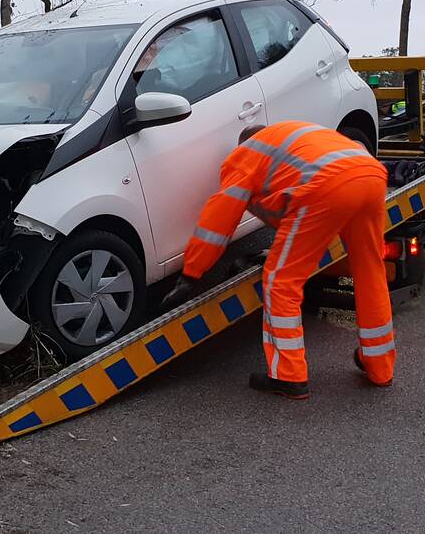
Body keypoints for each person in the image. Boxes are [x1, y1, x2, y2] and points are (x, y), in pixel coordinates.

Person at [162, 121, 395, 399]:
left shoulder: (244, 155)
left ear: (243, 143)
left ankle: (288, 375)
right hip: (371, 174)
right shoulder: (292, 137)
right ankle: (379, 366)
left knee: (281, 280)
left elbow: (220, 218)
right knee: (370, 270)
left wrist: (191, 274)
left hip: (324, 185)